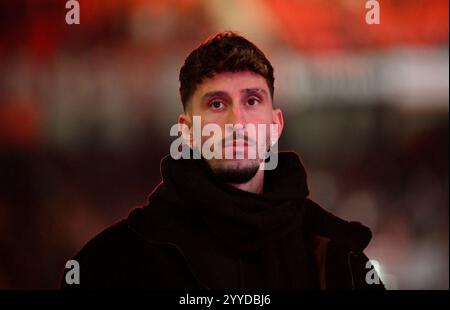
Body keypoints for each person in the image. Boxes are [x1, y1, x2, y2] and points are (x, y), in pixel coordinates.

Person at [61, 32, 384, 290]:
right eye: (216, 104)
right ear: (186, 130)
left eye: (252, 100)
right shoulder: (111, 264)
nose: (236, 122)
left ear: (275, 125)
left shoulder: (340, 260)